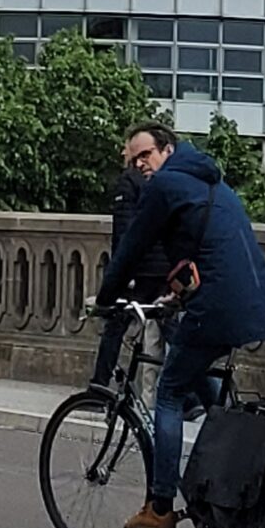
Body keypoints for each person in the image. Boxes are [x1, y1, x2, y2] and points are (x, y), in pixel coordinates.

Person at [93, 124, 265, 528]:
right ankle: (222, 483)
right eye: (134, 159)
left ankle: (160, 507)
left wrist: (106, 298)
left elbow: (133, 246)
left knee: (170, 393)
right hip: (255, 301)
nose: (140, 165)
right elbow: (206, 248)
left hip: (218, 305)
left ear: (168, 150)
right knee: (204, 383)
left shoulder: (166, 185)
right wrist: (178, 295)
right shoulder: (209, 179)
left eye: (146, 155)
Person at [90, 145, 173, 389]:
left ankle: (99, 385)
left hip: (141, 269)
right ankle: (197, 394)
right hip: (162, 267)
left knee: (116, 324)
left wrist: (123, 272)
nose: (124, 155)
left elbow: (125, 231)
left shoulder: (129, 182)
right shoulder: (159, 181)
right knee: (170, 328)